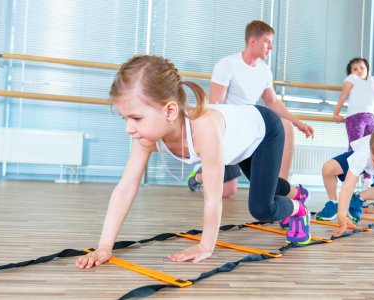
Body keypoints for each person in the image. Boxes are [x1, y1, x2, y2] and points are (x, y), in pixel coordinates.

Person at [75, 55, 312, 268]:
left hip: (264, 130)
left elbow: (212, 198)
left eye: (136, 118)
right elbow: (125, 188)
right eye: (124, 118)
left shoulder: (203, 130)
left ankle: (299, 209)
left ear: (169, 111)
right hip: (237, 142)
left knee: (262, 207)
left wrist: (205, 246)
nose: (129, 128)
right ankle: (297, 192)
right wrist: (104, 246)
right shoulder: (145, 136)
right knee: (266, 185)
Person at [187, 20, 314, 197]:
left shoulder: (264, 70)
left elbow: (273, 101)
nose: (270, 47)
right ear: (252, 41)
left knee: (286, 126)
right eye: (267, 41)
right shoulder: (227, 65)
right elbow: (216, 104)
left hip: (249, 130)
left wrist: (298, 123)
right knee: (228, 191)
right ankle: (198, 176)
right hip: (227, 129)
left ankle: (282, 191)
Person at [332, 57, 374, 187]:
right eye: (355, 69)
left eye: (362, 67)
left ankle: (367, 180)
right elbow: (343, 96)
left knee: (371, 146)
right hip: (355, 117)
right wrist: (336, 113)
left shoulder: (373, 80)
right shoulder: (352, 79)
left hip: (371, 117)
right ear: (351, 72)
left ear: (367, 68)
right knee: (354, 147)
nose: (359, 70)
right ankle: (349, 178)